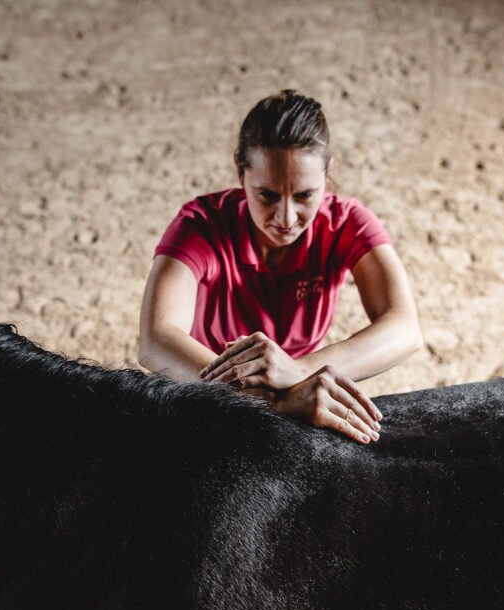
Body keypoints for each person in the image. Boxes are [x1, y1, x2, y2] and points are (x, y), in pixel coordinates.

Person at [138, 90, 423, 444]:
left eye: (304, 195)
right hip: (208, 393)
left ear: (327, 174)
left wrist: (298, 371)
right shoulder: (200, 225)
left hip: (299, 390)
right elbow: (156, 339)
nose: (286, 218)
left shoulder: (348, 223)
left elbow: (405, 329)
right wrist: (273, 400)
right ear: (240, 173)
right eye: (267, 195)